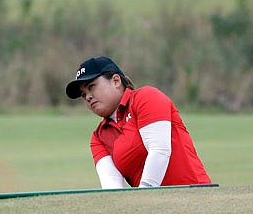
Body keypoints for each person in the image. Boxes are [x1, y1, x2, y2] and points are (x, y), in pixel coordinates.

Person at [65, 56, 211, 189]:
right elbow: (112, 186)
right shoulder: (99, 137)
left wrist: (143, 198)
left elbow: (159, 150)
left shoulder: (146, 97)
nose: (88, 97)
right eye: (83, 95)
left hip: (196, 197)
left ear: (116, 81)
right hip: (153, 208)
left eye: (92, 87)